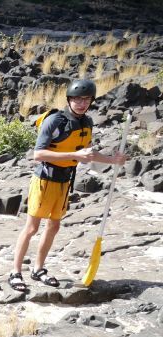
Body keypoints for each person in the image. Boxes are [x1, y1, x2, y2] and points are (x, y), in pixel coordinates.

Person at [9, 79, 127, 291]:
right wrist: (75, 155)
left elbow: (88, 153)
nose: (82, 104)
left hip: (65, 181)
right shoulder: (55, 121)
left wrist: (112, 160)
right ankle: (15, 272)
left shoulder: (86, 122)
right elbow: (38, 154)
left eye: (86, 100)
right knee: (32, 228)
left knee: (54, 226)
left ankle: (38, 269)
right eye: (77, 99)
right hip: (44, 179)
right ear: (69, 99)